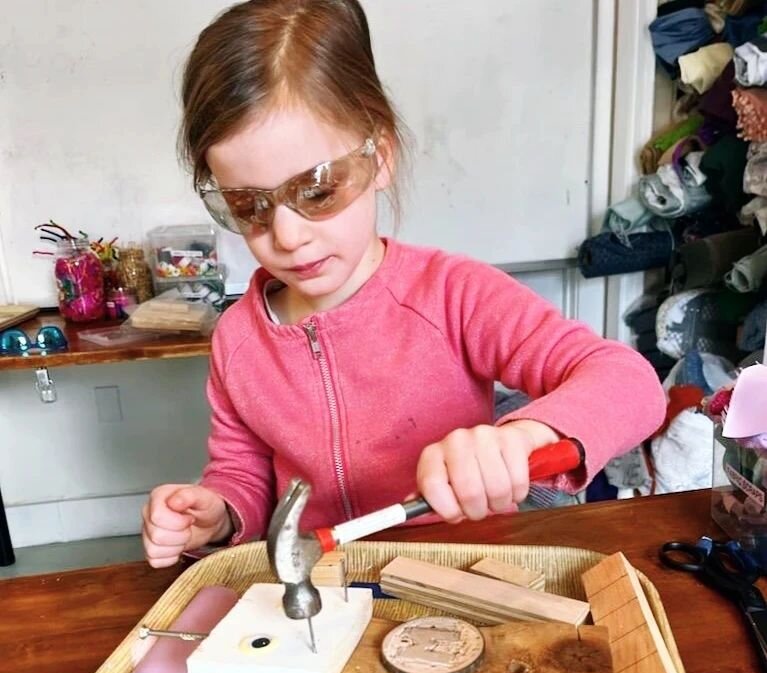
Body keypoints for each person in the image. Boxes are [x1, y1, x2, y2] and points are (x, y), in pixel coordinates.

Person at [142, 0, 666, 568]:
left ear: (381, 156)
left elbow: (631, 383)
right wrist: (217, 510)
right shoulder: (238, 338)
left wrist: (522, 437)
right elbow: (242, 471)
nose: (287, 236)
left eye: (317, 191)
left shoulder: (453, 295)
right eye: (249, 206)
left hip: (467, 574)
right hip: (330, 585)